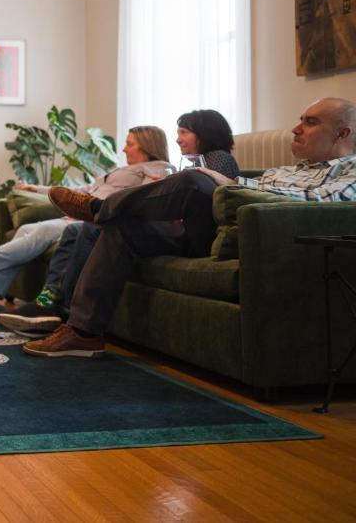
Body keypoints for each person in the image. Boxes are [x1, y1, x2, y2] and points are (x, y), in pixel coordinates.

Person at [28, 97, 356, 358]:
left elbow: (316, 203)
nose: (296, 129)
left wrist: (223, 180)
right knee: (124, 227)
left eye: (310, 122)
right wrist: (230, 181)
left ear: (343, 133)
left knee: (193, 180)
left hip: (257, 241)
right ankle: (83, 332)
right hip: (202, 231)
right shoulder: (282, 171)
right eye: (299, 120)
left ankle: (99, 209)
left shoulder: (349, 171)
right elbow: (245, 186)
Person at [6, 109, 242, 336]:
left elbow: (222, 188)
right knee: (95, 228)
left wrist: (174, 181)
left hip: (196, 235)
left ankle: (97, 208)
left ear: (206, 133)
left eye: (184, 132)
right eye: (177, 132)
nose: (177, 139)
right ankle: (61, 310)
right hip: (175, 228)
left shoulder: (218, 158)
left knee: (189, 179)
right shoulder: (181, 166)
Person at [0, 126, 172, 319]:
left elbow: (141, 201)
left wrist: (89, 212)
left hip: (94, 220)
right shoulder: (122, 169)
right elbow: (82, 190)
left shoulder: (158, 170)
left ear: (147, 145)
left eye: (129, 143)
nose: (123, 147)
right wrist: (36, 188)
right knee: (26, 228)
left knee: (47, 228)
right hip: (78, 214)